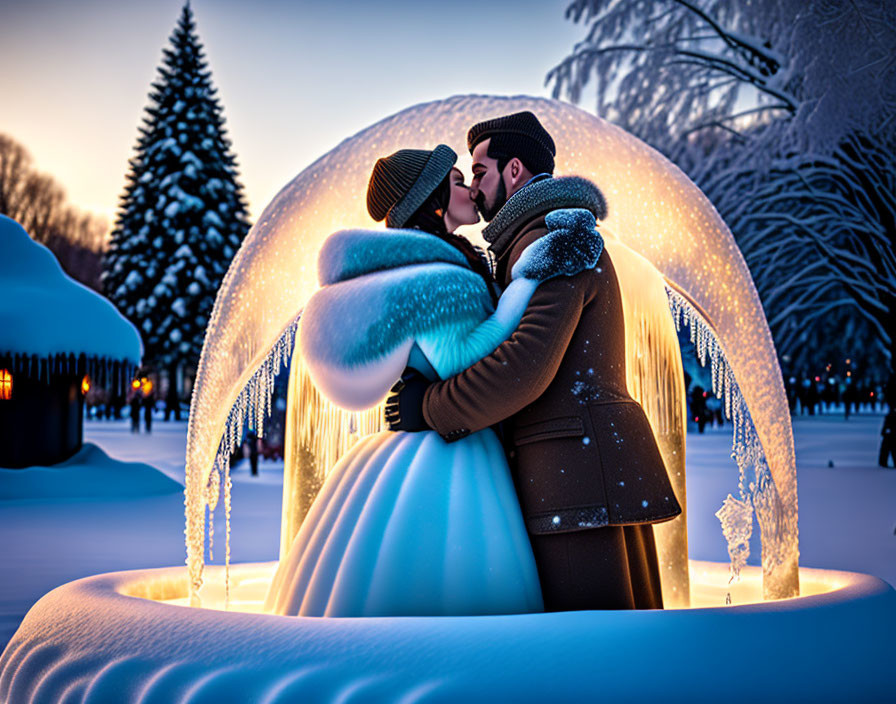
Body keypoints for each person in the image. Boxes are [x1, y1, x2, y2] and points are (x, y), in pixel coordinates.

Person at [264, 144, 602, 617]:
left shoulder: (421, 267)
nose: (469, 188)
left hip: (418, 441)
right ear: (434, 202)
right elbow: (461, 358)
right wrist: (529, 277)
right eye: (457, 182)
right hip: (451, 445)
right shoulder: (442, 277)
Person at [387, 112, 681, 611]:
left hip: (580, 482)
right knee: (607, 655)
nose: (474, 187)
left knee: (595, 662)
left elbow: (524, 366)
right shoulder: (534, 241)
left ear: (516, 169)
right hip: (580, 478)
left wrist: (432, 406)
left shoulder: (557, 240)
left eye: (480, 172)